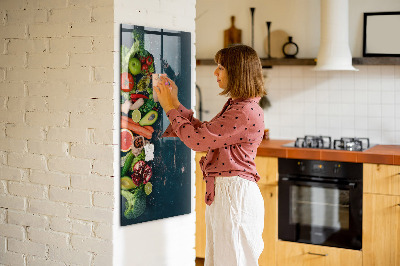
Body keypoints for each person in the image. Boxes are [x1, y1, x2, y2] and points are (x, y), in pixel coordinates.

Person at [155, 44, 266, 266]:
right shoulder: (239, 106)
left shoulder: (243, 111)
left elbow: (198, 141)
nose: (215, 72)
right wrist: (175, 103)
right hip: (228, 194)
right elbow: (205, 132)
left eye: (221, 67)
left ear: (237, 71)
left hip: (234, 196)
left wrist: (169, 107)